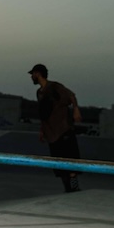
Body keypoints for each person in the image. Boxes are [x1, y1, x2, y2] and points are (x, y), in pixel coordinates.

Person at [28, 63, 82, 193]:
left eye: (32, 74)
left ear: (38, 74)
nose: (31, 77)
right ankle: (67, 188)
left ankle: (74, 186)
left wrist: (76, 110)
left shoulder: (55, 87)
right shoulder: (39, 93)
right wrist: (42, 130)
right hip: (52, 134)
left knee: (70, 160)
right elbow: (43, 114)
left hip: (64, 130)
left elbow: (71, 96)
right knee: (59, 164)